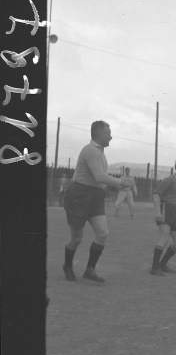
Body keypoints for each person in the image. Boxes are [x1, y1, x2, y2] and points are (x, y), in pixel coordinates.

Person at [62, 121, 124, 283]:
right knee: (76, 239)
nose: (111, 137)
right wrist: (121, 182)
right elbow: (99, 176)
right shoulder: (90, 150)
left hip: (96, 197)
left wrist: (113, 185)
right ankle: (67, 265)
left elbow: (100, 179)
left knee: (103, 233)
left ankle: (90, 270)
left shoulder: (100, 152)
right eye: (108, 134)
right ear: (98, 135)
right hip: (79, 196)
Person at [150, 158, 176, 275]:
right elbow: (156, 194)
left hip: (174, 211)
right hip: (165, 209)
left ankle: (162, 265)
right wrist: (157, 212)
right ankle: (154, 268)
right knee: (164, 237)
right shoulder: (170, 180)